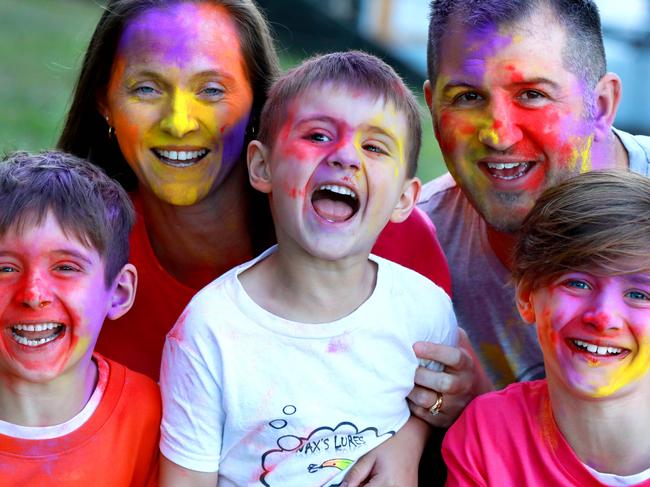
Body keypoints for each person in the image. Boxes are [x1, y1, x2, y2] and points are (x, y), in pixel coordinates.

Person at [57, 0, 454, 386]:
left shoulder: (385, 234)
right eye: (146, 89)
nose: (179, 124)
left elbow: (439, 393)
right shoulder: (68, 254)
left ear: (257, 104)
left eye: (211, 90)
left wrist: (436, 412)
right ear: (105, 103)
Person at [158, 51, 458, 486]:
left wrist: (414, 435)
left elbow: (435, 415)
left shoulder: (425, 311)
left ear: (404, 200)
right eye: (318, 136)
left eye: (373, 147)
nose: (345, 157)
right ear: (262, 166)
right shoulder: (210, 331)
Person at [415, 0, 650, 392]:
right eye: (467, 97)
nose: (498, 134)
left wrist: (478, 408)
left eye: (532, 94)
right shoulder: (412, 246)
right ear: (433, 108)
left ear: (602, 106)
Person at [443, 170, 650, 486]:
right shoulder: (489, 435)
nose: (603, 317)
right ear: (527, 296)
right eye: (577, 283)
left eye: (639, 294)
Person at [0, 151, 160, 486]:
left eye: (65, 268)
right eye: (6, 268)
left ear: (118, 293)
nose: (33, 293)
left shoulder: (149, 416)